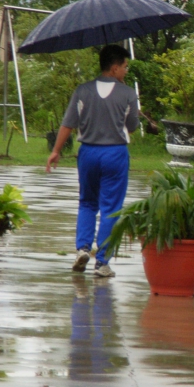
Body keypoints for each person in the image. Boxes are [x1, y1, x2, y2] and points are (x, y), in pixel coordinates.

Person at [46, 45, 139, 278]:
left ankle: (83, 249)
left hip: (87, 153)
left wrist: (56, 150)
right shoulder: (128, 93)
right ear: (115, 67)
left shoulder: (82, 91)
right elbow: (132, 126)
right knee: (111, 208)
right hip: (115, 154)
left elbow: (68, 123)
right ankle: (102, 263)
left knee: (87, 202)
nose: (126, 71)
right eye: (125, 67)